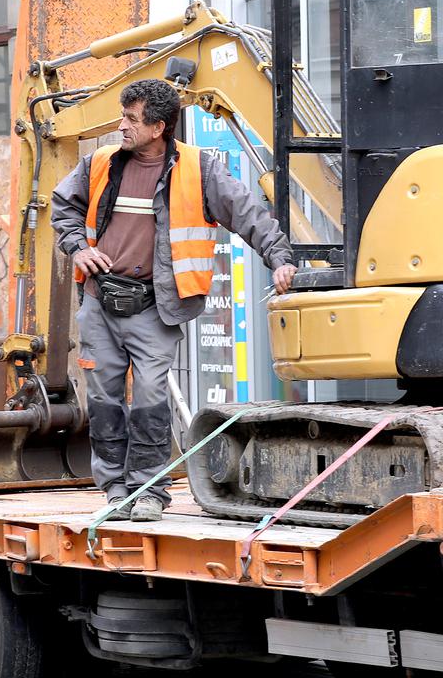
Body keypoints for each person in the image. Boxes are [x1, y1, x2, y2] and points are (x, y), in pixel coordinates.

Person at [51, 78, 295, 522]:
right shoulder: (100, 163)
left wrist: (279, 258)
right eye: (122, 116)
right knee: (104, 399)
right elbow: (63, 207)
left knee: (149, 396)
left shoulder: (199, 170)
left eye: (131, 119)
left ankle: (148, 491)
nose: (121, 126)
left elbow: (248, 215)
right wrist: (78, 248)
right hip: (100, 302)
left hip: (154, 306)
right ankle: (114, 490)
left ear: (158, 127)